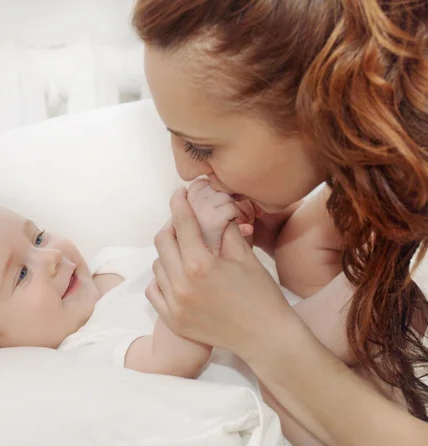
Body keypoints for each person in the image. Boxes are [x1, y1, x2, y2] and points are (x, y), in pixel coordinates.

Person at [133, 0, 428, 444]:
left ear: (319, 109)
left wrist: (263, 332)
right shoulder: (384, 170)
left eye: (201, 148)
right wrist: (288, 238)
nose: (185, 172)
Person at [0, 180, 256, 382]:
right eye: (22, 274)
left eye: (37, 237)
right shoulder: (83, 351)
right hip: (274, 379)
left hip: (272, 316)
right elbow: (172, 361)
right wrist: (199, 243)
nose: (53, 257)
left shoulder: (108, 263)